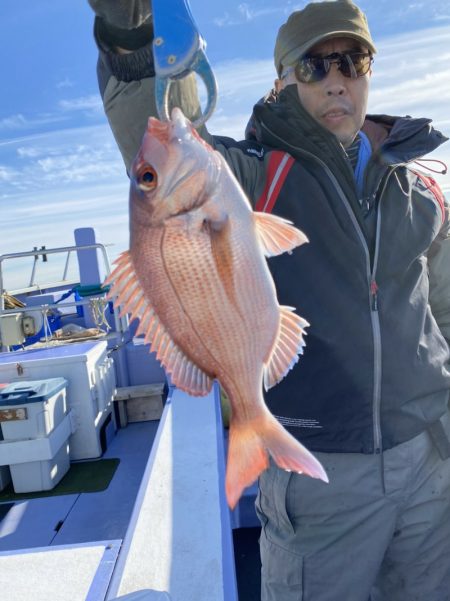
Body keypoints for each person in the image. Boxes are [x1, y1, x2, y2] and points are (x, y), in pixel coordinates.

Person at [88, 1, 450, 599]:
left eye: (353, 60)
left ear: (368, 74)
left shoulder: (413, 184)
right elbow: (148, 141)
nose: (337, 78)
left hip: (431, 464)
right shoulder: (253, 173)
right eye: (314, 65)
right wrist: (129, 41)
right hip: (322, 474)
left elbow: (440, 301)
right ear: (282, 81)